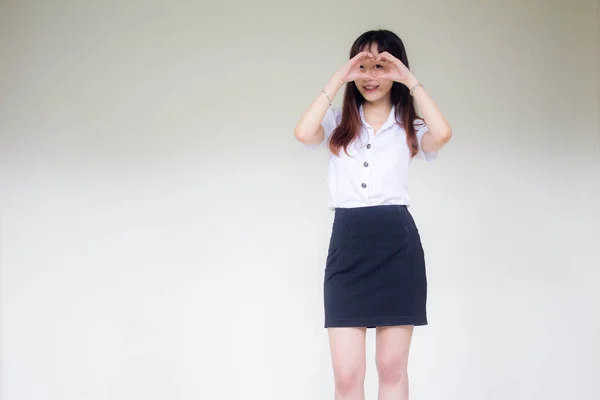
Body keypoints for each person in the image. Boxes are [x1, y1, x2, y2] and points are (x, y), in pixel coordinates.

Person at [294, 29, 452, 400]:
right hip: (347, 246)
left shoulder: (409, 125)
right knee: (347, 375)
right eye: (363, 66)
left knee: (391, 369)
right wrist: (338, 79)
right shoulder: (337, 123)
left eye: (382, 66)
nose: (371, 75)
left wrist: (410, 80)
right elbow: (303, 132)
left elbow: (442, 133)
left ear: (397, 71)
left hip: (398, 247)